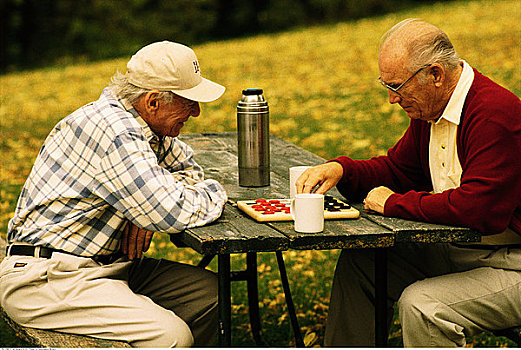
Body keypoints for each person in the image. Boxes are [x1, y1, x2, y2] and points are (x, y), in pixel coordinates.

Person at [296, 19, 521, 347]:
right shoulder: (432, 110)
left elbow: (477, 209)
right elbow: (398, 170)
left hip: (511, 261)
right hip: (463, 248)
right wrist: (342, 170)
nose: (391, 99)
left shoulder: (492, 115)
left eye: (396, 86)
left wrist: (391, 203)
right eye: (386, 86)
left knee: (423, 306)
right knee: (364, 262)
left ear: (435, 74)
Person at [0, 41, 228, 347]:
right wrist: (215, 192)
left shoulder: (147, 128)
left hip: (105, 266)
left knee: (210, 294)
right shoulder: (115, 131)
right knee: (170, 337)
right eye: (188, 102)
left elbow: (187, 172)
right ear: (152, 102)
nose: (197, 112)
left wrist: (142, 211)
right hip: (48, 278)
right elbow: (169, 212)